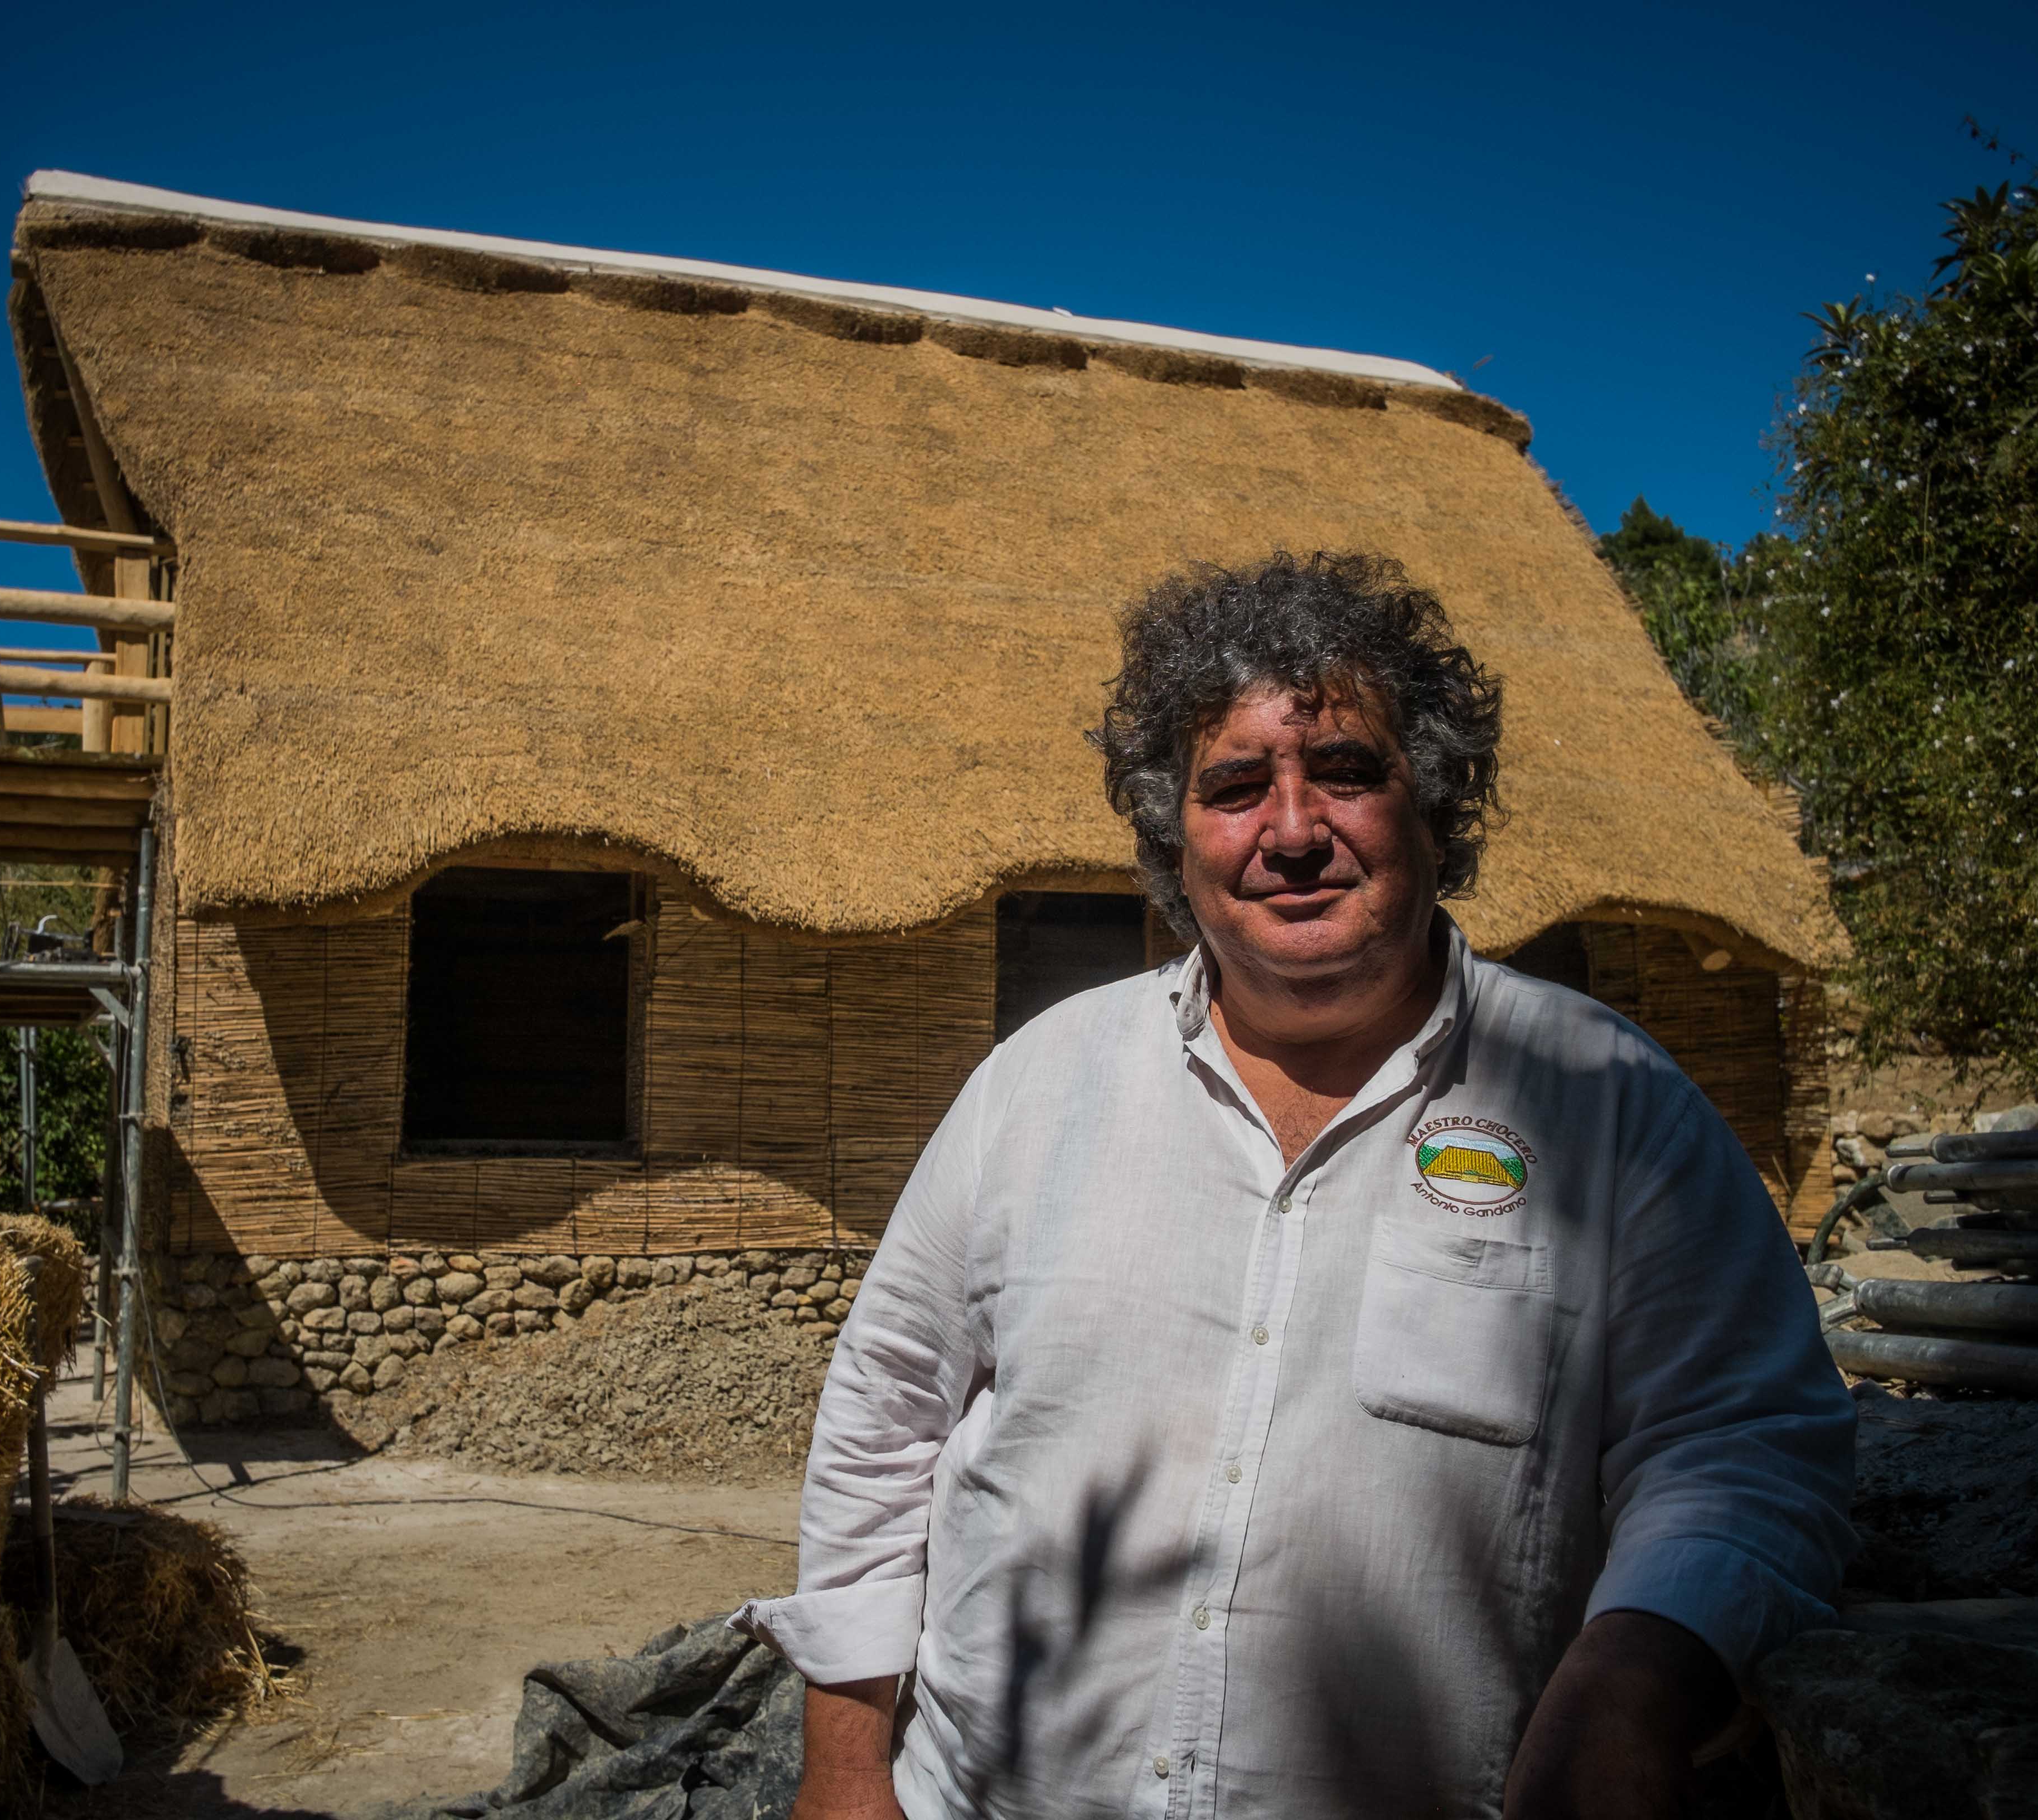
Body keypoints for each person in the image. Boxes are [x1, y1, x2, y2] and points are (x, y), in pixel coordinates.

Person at [735, 552, 1855, 1820]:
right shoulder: (1036, 1087)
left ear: (1432, 801)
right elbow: (884, 1414)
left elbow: (1747, 1443)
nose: (1293, 831)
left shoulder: (1611, 1106)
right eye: (1234, 788)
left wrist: (1641, 1670)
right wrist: (842, 1771)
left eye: (1346, 771)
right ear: (1177, 839)